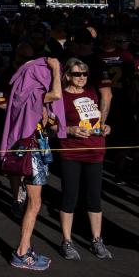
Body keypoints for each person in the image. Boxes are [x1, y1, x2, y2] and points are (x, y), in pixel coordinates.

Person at [1, 56, 63, 271]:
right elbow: (56, 94)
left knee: (34, 203)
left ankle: (24, 248)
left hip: (34, 147)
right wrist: (55, 69)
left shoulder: (23, 92)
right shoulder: (33, 93)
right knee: (34, 203)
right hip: (32, 151)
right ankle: (22, 252)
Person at [56, 59, 112, 261]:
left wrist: (104, 127)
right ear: (68, 75)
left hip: (95, 151)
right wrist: (69, 130)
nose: (82, 77)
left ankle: (97, 240)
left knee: (94, 198)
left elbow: (96, 120)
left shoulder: (91, 92)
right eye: (77, 74)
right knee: (70, 197)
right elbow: (51, 124)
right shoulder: (60, 96)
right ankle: (67, 241)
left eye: (85, 74)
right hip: (71, 152)